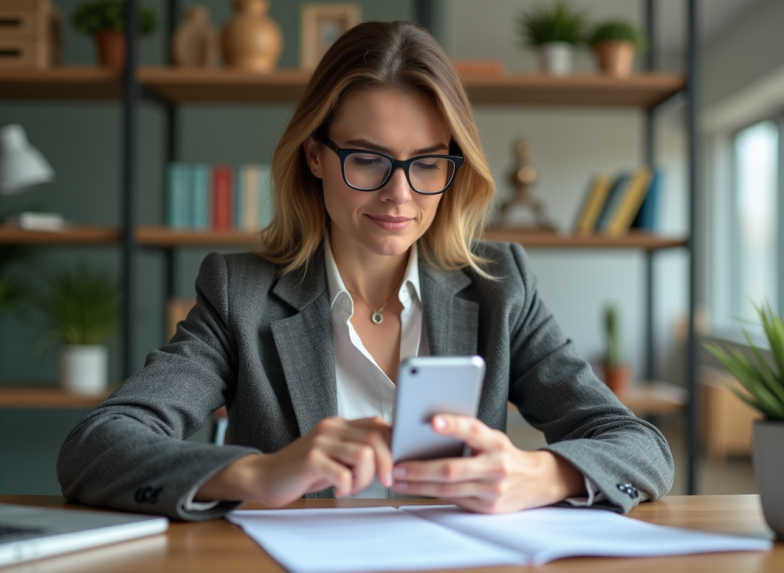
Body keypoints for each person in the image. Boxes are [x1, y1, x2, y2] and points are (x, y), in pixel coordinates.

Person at [57, 20, 673, 521]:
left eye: (427, 163)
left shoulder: (500, 285)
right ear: (316, 156)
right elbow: (96, 447)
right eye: (369, 160)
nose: (399, 195)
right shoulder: (238, 292)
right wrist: (258, 473)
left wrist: (537, 472)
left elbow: (640, 447)